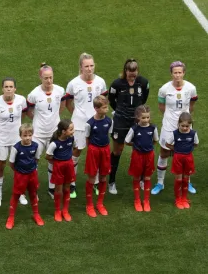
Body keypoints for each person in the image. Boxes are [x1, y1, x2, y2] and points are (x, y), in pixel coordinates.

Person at [65, 53, 108, 197]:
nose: (89, 69)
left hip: (97, 124)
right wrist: (77, 114)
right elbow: (68, 103)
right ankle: (71, 184)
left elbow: (103, 102)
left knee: (95, 154)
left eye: (91, 66)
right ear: (81, 67)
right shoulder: (73, 84)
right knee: (76, 151)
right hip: (79, 124)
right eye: (86, 66)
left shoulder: (100, 82)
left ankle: (95, 182)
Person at [153, 61, 198, 195]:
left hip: (185, 125)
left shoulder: (191, 88)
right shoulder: (164, 89)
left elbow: (191, 105)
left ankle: (187, 181)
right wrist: (171, 118)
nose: (177, 75)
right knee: (164, 153)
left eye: (180, 72)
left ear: (183, 73)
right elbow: (162, 108)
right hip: (169, 125)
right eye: (175, 73)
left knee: (186, 153)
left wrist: (185, 120)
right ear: (171, 73)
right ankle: (160, 183)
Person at [107, 59, 150, 194]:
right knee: (117, 150)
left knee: (140, 149)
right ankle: (111, 181)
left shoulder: (143, 83)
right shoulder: (117, 84)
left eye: (134, 71)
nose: (132, 74)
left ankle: (142, 179)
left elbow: (144, 99)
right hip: (120, 121)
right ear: (125, 71)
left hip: (137, 122)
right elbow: (111, 99)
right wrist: (120, 111)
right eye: (130, 71)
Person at [27, 63, 66, 199]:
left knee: (53, 160)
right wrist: (38, 119)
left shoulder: (60, 90)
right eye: (46, 78)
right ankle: (33, 189)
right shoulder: (33, 94)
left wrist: (55, 117)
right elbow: (29, 111)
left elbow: (63, 104)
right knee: (34, 161)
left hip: (54, 133)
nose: (49, 81)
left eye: (51, 77)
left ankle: (51, 187)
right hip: (38, 133)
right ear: (40, 77)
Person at [0, 77, 28, 206]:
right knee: (1, 165)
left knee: (19, 165)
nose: (9, 89)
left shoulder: (21, 100)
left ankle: (21, 193)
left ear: (15, 88)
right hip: (2, 139)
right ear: (2, 88)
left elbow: (23, 114)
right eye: (6, 87)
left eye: (11, 87)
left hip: (17, 139)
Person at [6, 123, 44, 229]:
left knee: (33, 193)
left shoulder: (36, 146)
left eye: (29, 135)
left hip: (32, 174)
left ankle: (36, 214)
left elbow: (36, 159)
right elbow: (11, 163)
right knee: (16, 195)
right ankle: (11, 217)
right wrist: (19, 171)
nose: (27, 138)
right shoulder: (16, 148)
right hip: (20, 175)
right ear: (20, 136)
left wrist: (30, 169)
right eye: (25, 135)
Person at [125, 105, 158, 212]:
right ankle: (137, 200)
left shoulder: (153, 128)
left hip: (149, 155)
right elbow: (127, 141)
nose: (146, 120)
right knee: (137, 177)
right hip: (137, 155)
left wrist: (148, 147)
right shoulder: (134, 129)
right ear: (138, 117)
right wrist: (136, 146)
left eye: (147, 117)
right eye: (143, 118)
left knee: (147, 177)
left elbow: (155, 140)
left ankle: (146, 201)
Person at [84, 96, 112, 218]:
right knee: (92, 176)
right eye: (104, 107)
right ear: (96, 108)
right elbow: (87, 139)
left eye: (107, 107)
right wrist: (92, 150)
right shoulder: (89, 123)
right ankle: (89, 205)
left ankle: (100, 203)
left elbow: (108, 134)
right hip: (93, 150)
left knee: (104, 176)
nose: (107, 109)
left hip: (105, 149)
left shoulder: (109, 121)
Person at [165, 112, 198, 209]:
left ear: (190, 125)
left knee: (186, 179)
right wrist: (176, 149)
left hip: (188, 158)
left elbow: (196, 144)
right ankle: (178, 199)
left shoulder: (193, 133)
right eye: (182, 126)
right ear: (178, 124)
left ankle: (184, 198)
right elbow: (167, 144)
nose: (184, 128)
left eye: (187, 126)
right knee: (179, 179)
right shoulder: (175, 133)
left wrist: (188, 149)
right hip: (178, 158)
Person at [45, 120, 76, 222]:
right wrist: (57, 162)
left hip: (69, 165)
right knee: (58, 190)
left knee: (67, 188)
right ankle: (57, 211)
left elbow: (74, 148)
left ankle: (65, 210)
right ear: (63, 131)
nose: (73, 131)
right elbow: (47, 156)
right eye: (71, 129)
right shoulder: (54, 143)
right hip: (59, 166)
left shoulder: (71, 139)